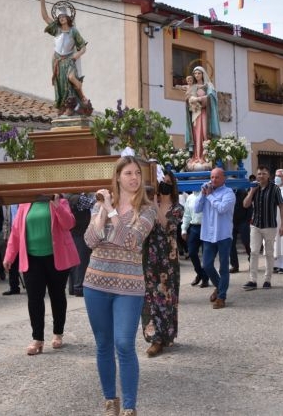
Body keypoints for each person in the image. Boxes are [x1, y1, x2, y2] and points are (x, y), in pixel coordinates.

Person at [83, 156, 157, 416]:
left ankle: (129, 406)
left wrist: (113, 215)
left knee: (124, 343)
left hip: (129, 286)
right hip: (96, 283)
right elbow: (90, 240)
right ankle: (109, 400)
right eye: (128, 173)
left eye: (137, 173)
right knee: (103, 344)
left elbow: (133, 242)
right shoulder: (99, 205)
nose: (134, 178)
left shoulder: (148, 209)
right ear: (117, 177)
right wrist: (103, 210)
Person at [3, 193, 79, 355]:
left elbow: (69, 224)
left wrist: (57, 205)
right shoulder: (25, 203)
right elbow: (16, 232)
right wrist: (9, 256)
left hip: (56, 257)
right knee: (34, 298)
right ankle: (37, 339)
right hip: (32, 259)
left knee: (57, 295)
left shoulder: (60, 201)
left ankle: (58, 333)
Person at [141, 171, 183, 357]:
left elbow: (167, 226)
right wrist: (151, 203)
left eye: (168, 182)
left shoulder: (177, 207)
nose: (164, 185)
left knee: (167, 298)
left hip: (169, 259)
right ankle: (155, 338)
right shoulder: (150, 206)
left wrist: (156, 206)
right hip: (150, 257)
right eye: (162, 182)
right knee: (150, 298)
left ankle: (167, 335)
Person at [39, 0, 90, 116]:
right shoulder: (56, 29)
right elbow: (45, 17)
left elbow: (83, 47)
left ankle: (79, 97)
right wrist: (42, 0)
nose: (61, 18)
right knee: (60, 84)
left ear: (68, 18)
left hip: (69, 59)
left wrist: (77, 55)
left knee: (70, 78)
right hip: (57, 59)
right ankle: (63, 106)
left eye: (64, 16)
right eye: (60, 17)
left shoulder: (74, 31)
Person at [196, 167, 236, 309]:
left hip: (223, 235)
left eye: (217, 177)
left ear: (223, 178)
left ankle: (221, 297)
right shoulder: (206, 192)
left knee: (224, 267)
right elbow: (196, 209)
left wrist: (210, 196)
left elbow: (222, 208)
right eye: (212, 177)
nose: (213, 180)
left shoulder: (228, 193)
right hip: (208, 235)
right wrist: (202, 195)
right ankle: (220, 287)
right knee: (207, 265)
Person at [242, 165, 283, 290]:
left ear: (268, 175)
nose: (261, 176)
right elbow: (245, 204)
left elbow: (282, 206)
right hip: (255, 225)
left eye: (264, 173)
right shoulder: (253, 188)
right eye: (259, 173)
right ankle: (252, 280)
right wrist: (252, 191)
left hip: (269, 225)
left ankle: (267, 280)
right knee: (254, 252)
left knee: (269, 253)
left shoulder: (275, 189)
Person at [184, 66, 221, 165]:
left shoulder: (208, 85)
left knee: (205, 132)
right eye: (195, 73)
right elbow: (187, 98)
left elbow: (212, 97)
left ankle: (206, 156)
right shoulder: (193, 86)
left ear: (203, 74)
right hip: (195, 114)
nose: (197, 75)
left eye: (199, 73)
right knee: (196, 134)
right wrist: (190, 100)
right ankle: (197, 155)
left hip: (204, 113)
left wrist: (198, 99)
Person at [66, 193, 95, 297]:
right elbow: (94, 203)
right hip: (80, 232)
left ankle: (73, 288)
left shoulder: (68, 196)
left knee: (74, 262)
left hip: (72, 232)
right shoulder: (79, 198)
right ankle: (79, 288)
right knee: (81, 261)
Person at [180, 189, 208, 288]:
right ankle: (200, 273)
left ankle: (205, 278)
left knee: (206, 256)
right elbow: (187, 215)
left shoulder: (208, 195)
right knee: (191, 253)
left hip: (206, 227)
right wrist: (184, 229)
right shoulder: (190, 198)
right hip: (194, 227)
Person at [229, 185, 251, 273]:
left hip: (243, 221)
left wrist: (248, 220)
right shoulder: (227, 193)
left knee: (247, 242)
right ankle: (234, 265)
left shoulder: (243, 192)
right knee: (231, 244)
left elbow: (249, 207)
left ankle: (252, 261)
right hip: (231, 222)